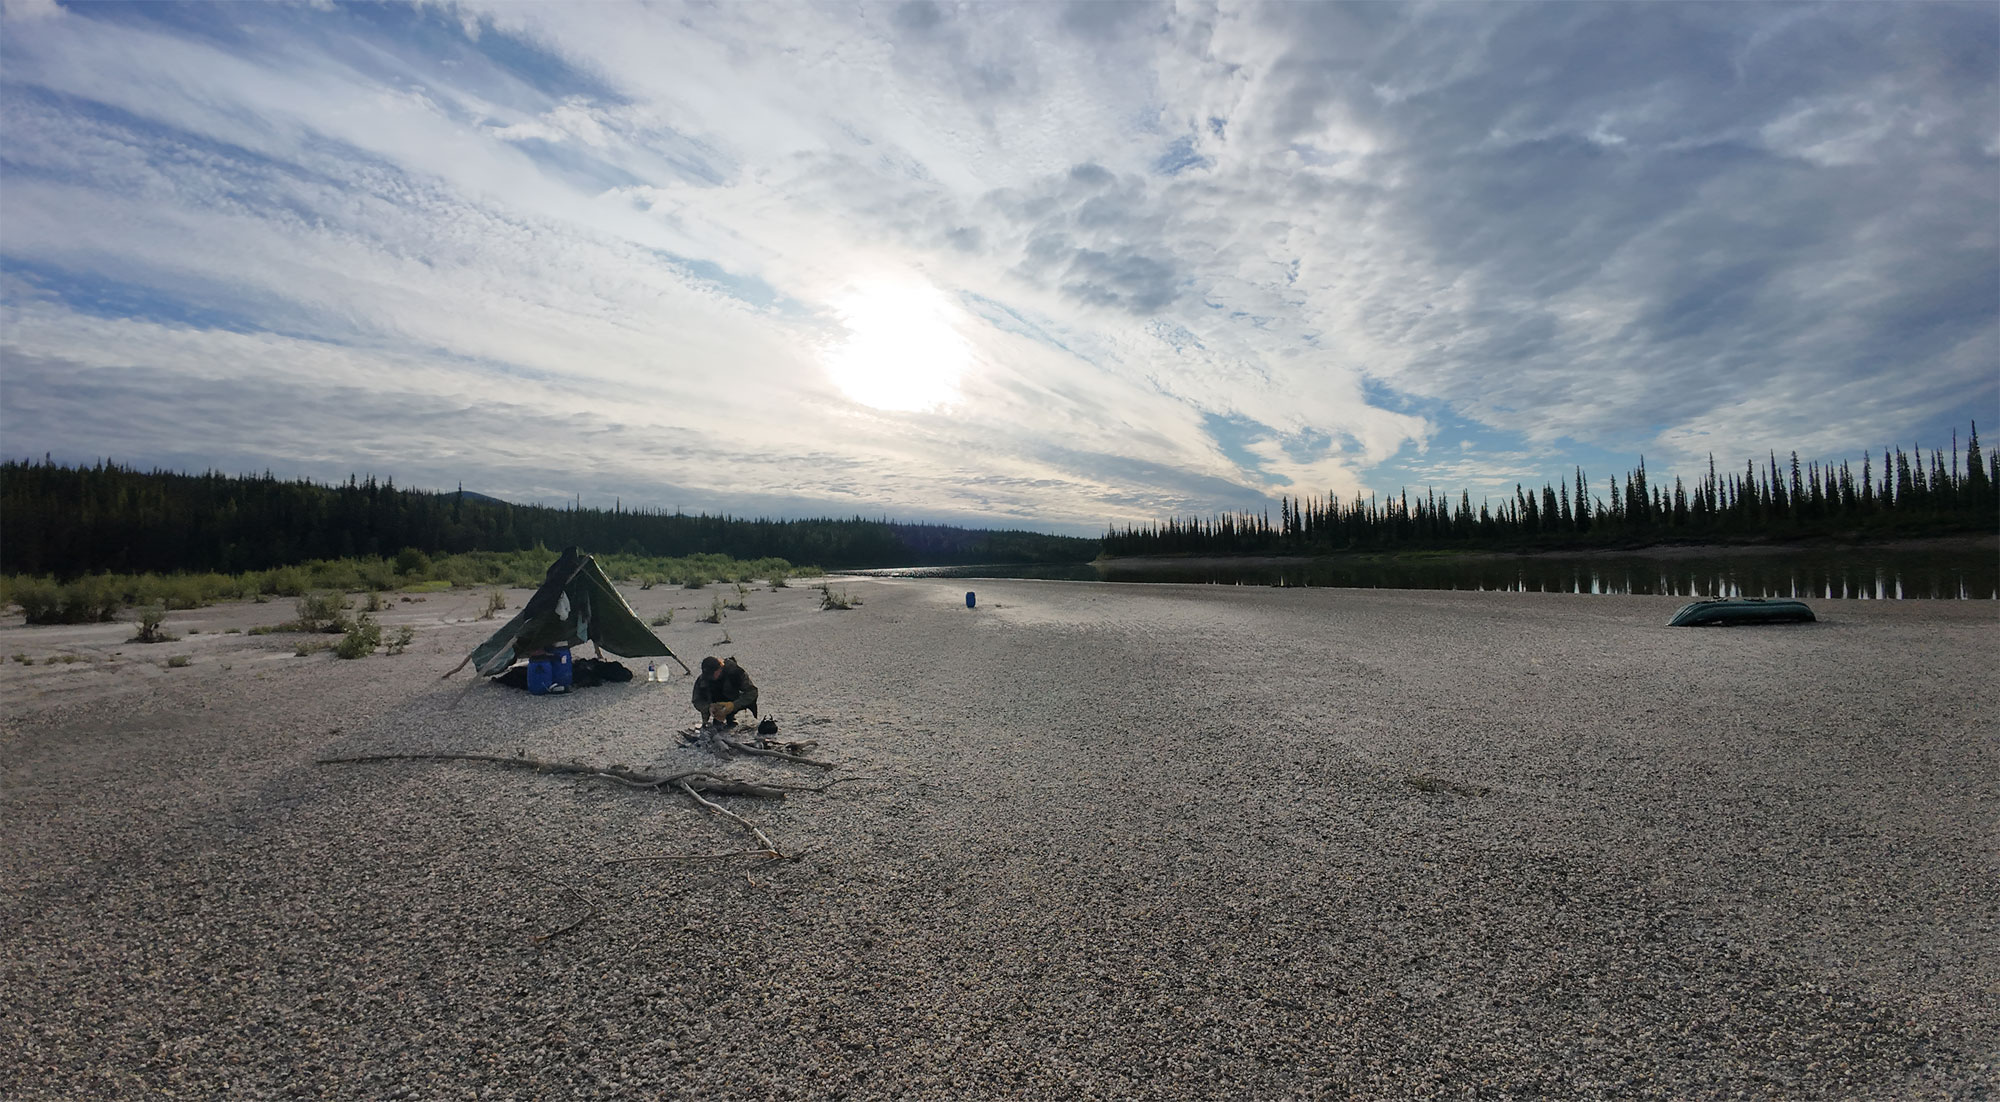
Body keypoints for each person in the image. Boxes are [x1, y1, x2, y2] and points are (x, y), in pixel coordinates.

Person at [691, 655, 758, 728]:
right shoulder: (703, 679)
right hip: (716, 705)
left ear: (720, 668)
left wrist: (733, 705)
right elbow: (697, 700)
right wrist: (708, 708)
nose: (711, 677)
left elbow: (752, 692)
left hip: (735, 700)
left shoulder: (734, 672)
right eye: (708, 675)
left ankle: (732, 717)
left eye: (713, 674)